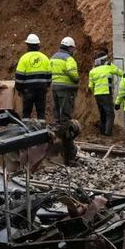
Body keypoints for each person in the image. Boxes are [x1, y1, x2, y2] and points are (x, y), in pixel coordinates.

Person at [50, 36, 80, 165]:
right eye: (73, 48)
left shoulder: (53, 57)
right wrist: (76, 80)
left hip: (55, 87)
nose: (73, 50)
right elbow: (73, 74)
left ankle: (57, 140)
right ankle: (69, 154)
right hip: (66, 89)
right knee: (66, 120)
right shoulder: (69, 59)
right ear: (69, 47)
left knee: (57, 118)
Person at [14, 33, 51, 120]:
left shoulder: (24, 58)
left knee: (26, 111)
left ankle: (26, 130)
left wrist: (19, 88)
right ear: (38, 45)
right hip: (41, 89)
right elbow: (49, 75)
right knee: (41, 111)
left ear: (28, 45)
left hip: (28, 89)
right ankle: (42, 129)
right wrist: (47, 86)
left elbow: (19, 76)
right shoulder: (45, 58)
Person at [88, 52, 125, 137]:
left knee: (102, 114)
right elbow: (122, 73)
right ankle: (108, 133)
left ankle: (102, 132)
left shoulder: (92, 71)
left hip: (97, 95)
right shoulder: (108, 67)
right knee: (110, 114)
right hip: (106, 94)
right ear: (103, 60)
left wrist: (95, 92)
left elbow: (90, 86)